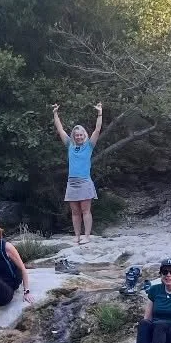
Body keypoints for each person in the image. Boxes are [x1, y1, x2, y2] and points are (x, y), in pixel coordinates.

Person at [52, 102, 102, 244]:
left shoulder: (89, 145)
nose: (79, 137)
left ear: (84, 135)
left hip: (84, 181)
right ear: (74, 136)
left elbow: (97, 130)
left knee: (86, 210)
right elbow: (60, 129)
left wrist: (99, 113)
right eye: (76, 135)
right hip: (72, 182)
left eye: (81, 134)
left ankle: (87, 236)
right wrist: (55, 113)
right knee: (74, 212)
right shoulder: (70, 145)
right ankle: (77, 236)